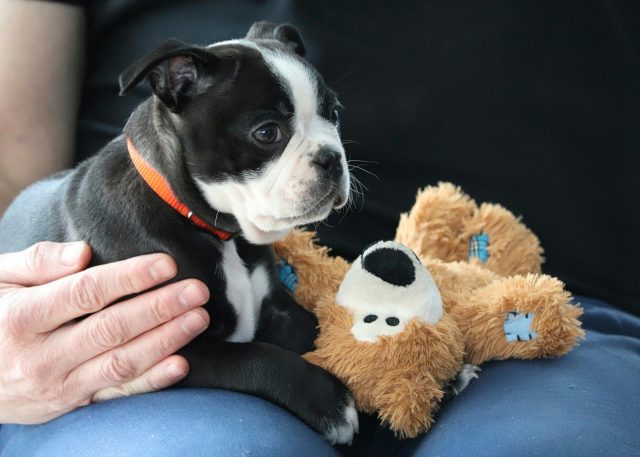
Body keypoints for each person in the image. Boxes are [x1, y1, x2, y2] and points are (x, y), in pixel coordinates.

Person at [1, 1, 639, 456]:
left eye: (326, 118)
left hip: (522, 307)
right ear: (173, 87)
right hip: (113, 367)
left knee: (553, 446)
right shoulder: (123, 216)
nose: (327, 153)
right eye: (271, 134)